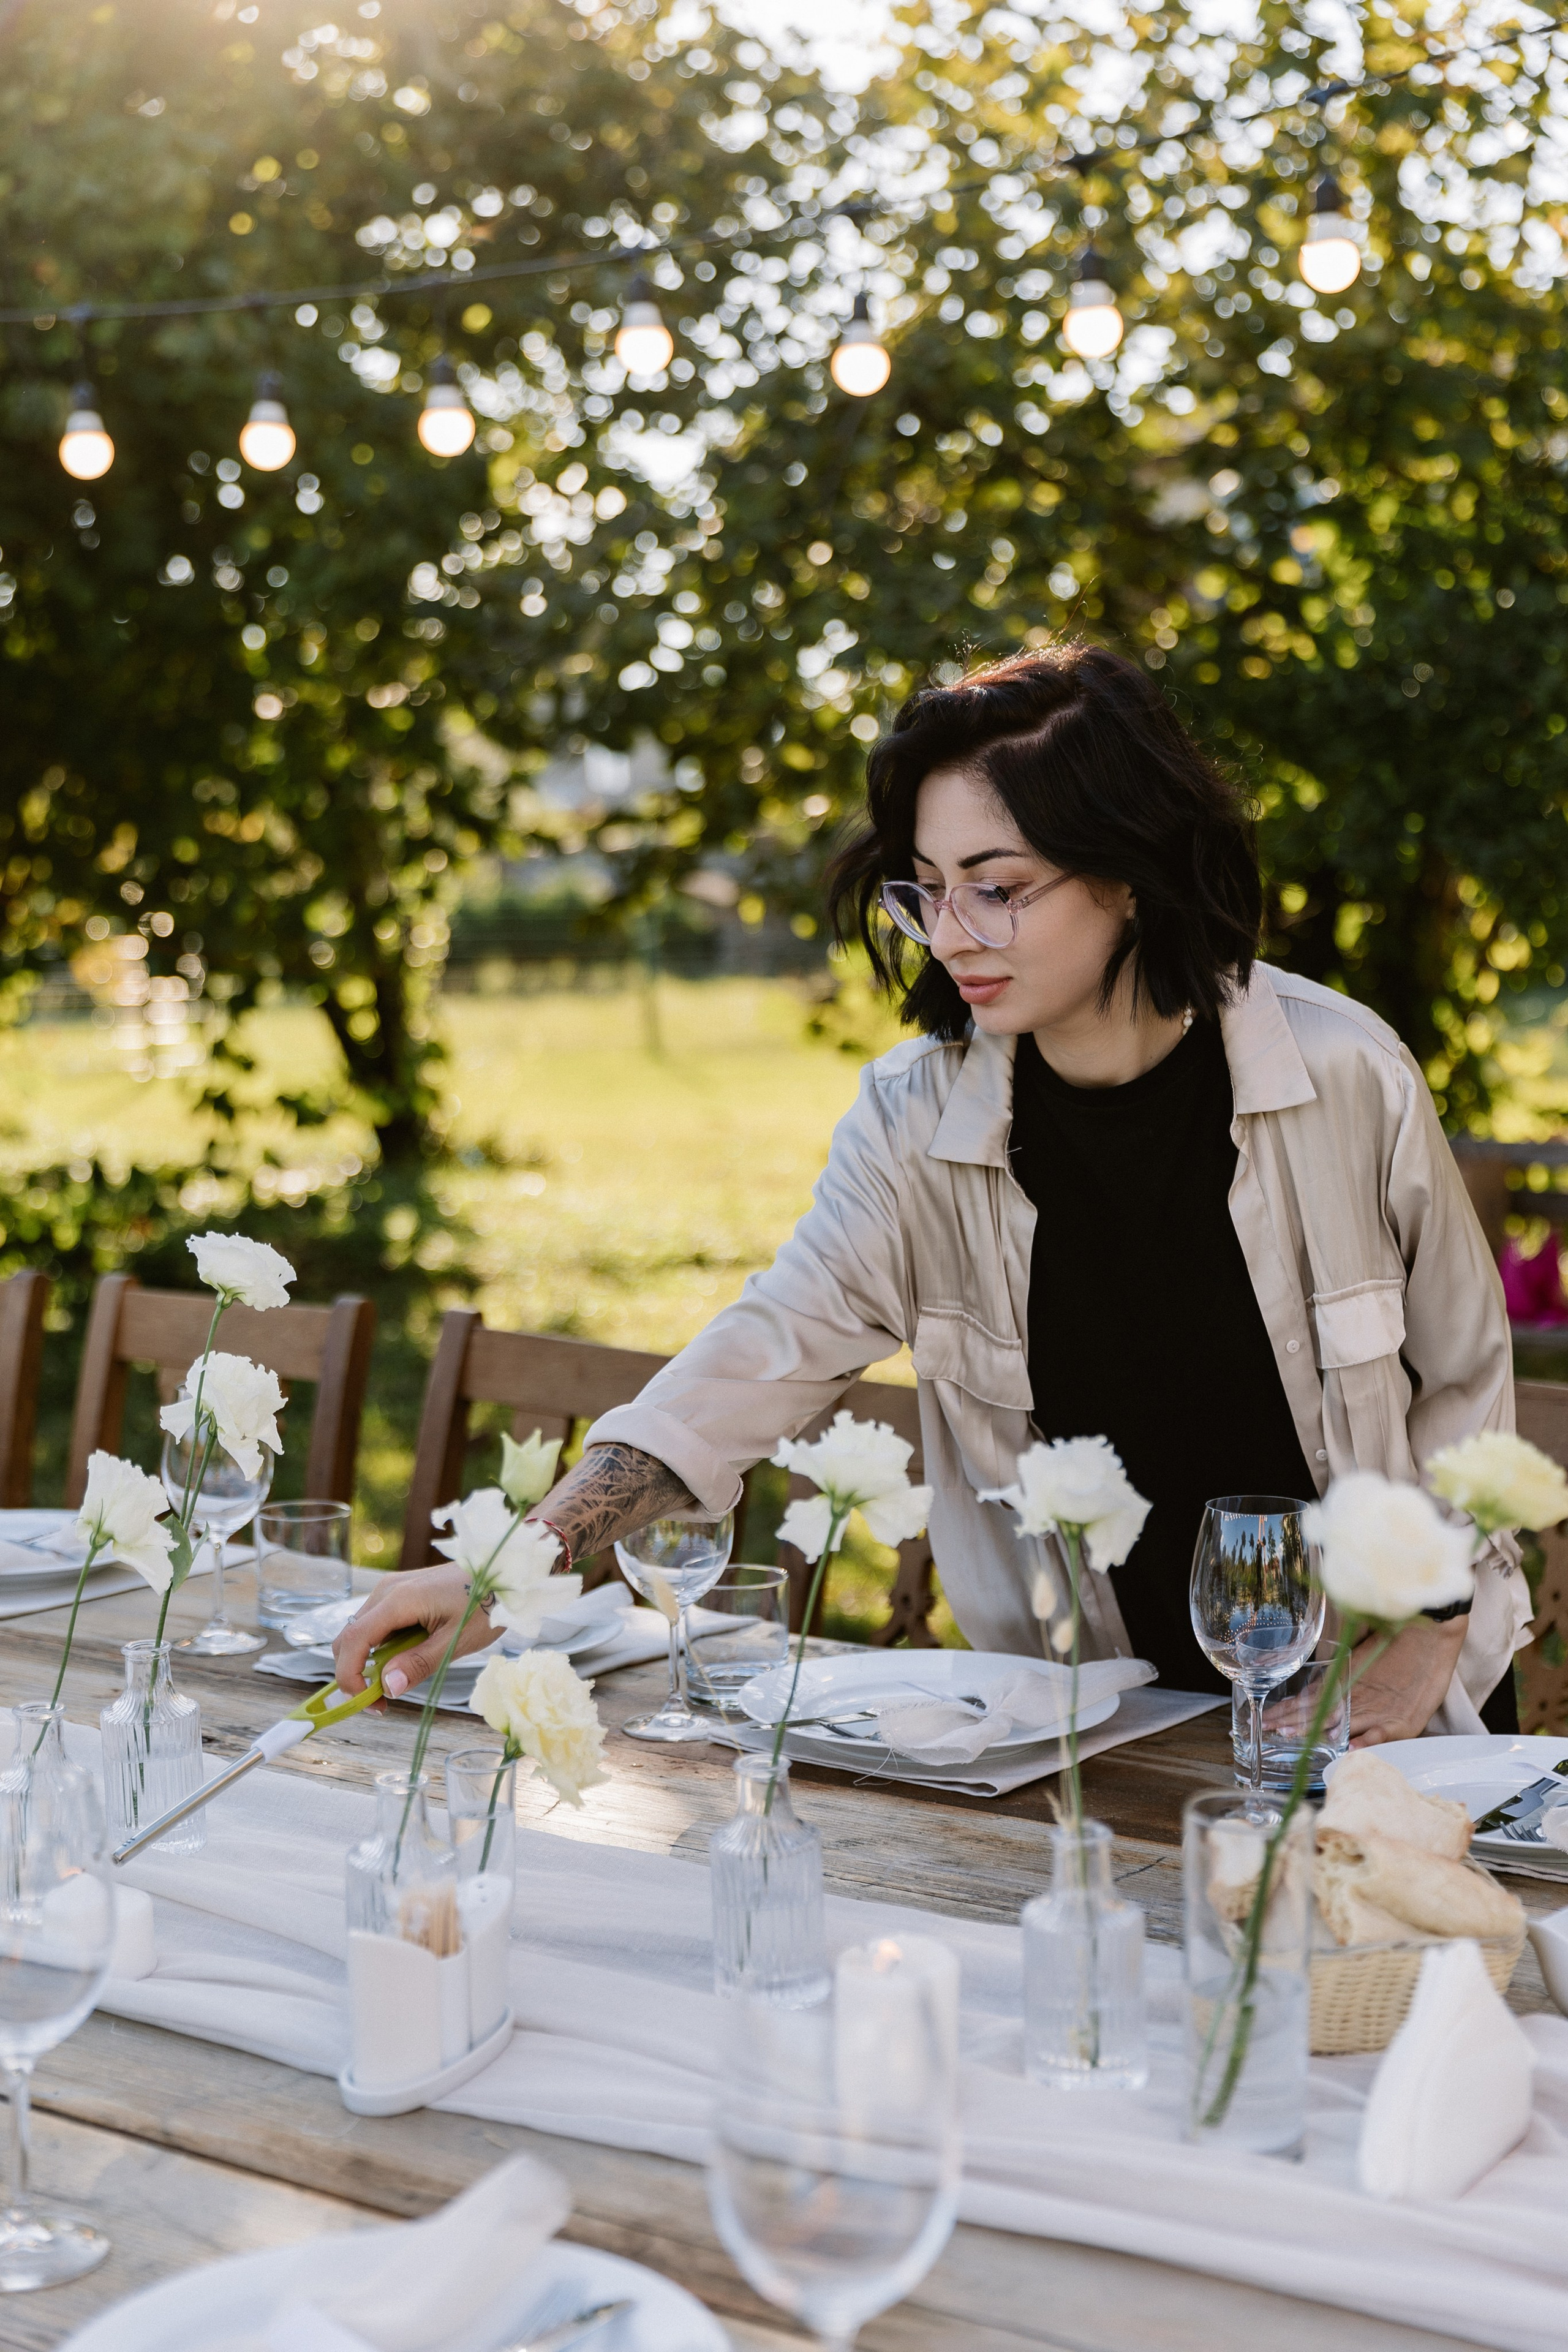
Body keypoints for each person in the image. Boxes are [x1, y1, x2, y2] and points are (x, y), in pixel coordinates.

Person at [336, 641, 1528, 1741]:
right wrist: (508, 1569)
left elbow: (1465, 1387)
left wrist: (1422, 1637)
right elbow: (760, 1353)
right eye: (922, 889)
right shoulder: (913, 1122)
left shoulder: (1342, 1074)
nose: (948, 932)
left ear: (1125, 872)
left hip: (1373, 1720)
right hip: (1087, 1733)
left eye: (995, 886)